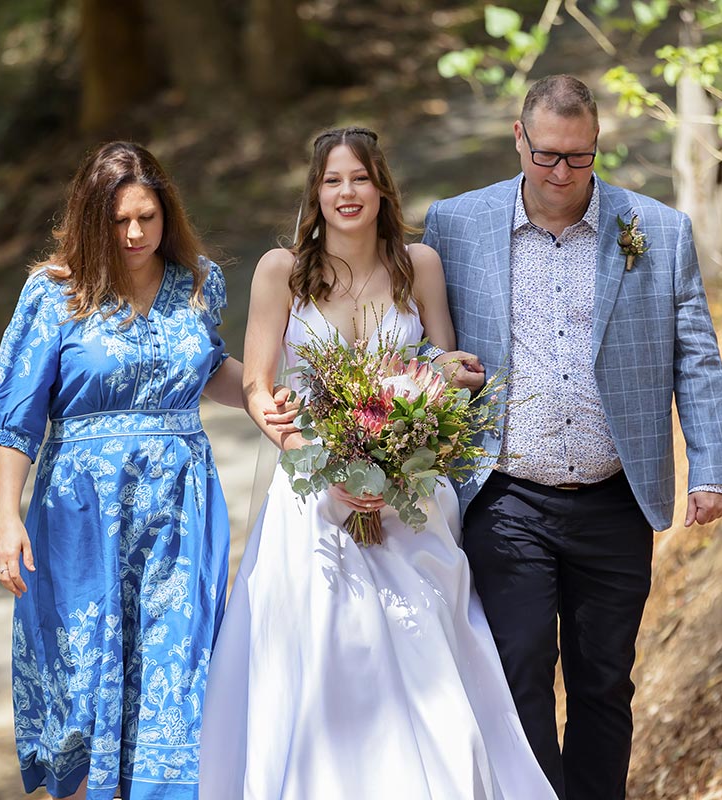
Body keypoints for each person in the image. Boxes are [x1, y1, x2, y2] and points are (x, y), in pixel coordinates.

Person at [197, 126, 558, 800]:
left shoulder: (418, 264)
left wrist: (450, 376)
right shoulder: (282, 271)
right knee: (333, 657)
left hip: (409, 495)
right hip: (315, 495)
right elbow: (258, 385)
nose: (346, 193)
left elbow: (440, 372)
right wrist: (312, 457)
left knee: (428, 658)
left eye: (358, 178)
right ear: (316, 193)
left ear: (380, 186)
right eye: (332, 181)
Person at [422, 74, 722, 799]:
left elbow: (695, 352)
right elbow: (413, 335)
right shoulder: (455, 225)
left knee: (603, 681)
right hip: (505, 493)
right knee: (520, 666)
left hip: (615, 494)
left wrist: (712, 466)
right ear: (518, 138)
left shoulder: (656, 231)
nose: (562, 174)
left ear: (597, 148)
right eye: (547, 156)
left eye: (579, 158)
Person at [0, 141, 292, 800]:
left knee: (175, 674)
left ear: (167, 215)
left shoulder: (199, 283)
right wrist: (7, 517)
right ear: (92, 217)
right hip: (79, 518)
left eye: (147, 218)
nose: (134, 234)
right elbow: (17, 418)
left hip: (181, 510)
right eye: (120, 220)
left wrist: (283, 402)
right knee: (85, 684)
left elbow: (209, 370)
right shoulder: (53, 293)